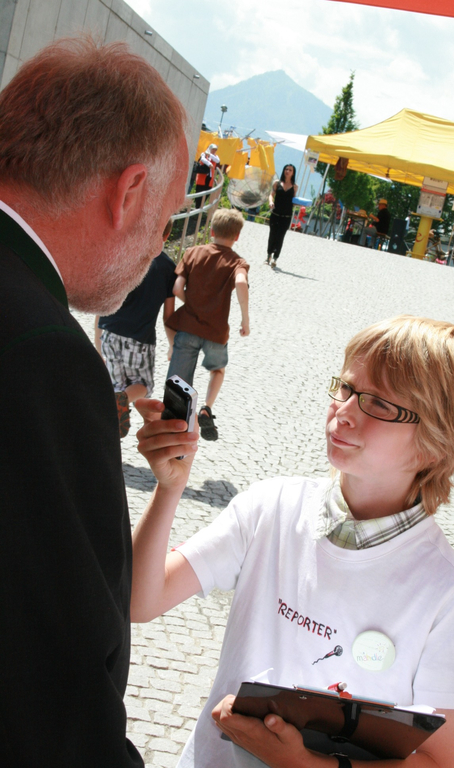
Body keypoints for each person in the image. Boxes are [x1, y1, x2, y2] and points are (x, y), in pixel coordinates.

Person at [131, 315, 454, 768]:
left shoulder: (446, 589)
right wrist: (170, 489)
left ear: (437, 443)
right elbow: (139, 601)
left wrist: (302, 763)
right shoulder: (272, 507)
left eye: (378, 404)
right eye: (346, 388)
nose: (345, 411)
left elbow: (443, 762)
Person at [0, 36, 189, 767]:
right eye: (166, 220)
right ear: (129, 190)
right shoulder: (43, 350)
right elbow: (53, 680)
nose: (157, 249)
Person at [166, 208, 249, 441]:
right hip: (216, 333)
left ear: (212, 231)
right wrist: (245, 319)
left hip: (188, 328)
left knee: (178, 383)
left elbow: (176, 288)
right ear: (237, 236)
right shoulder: (237, 262)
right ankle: (206, 408)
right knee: (217, 370)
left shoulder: (193, 253)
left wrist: (192, 303)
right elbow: (241, 283)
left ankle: (174, 430)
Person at [95, 221, 177, 437]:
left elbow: (103, 300)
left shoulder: (123, 254)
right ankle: (119, 401)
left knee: (117, 384)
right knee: (143, 385)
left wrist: (97, 341)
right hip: (140, 340)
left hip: (109, 333)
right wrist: (172, 345)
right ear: (167, 235)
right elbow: (168, 316)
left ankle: (113, 422)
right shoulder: (169, 268)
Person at [266, 164, 298, 268]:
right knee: (272, 235)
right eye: (286, 169)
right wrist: (271, 202)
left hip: (286, 216)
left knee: (280, 237)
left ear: (293, 173)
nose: (287, 171)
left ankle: (275, 258)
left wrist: (300, 204)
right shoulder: (277, 183)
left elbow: (294, 201)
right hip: (275, 214)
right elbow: (271, 194)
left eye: (290, 170)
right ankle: (268, 255)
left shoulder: (294, 187)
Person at [194, 143, 220, 208]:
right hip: (202, 177)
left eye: (215, 150)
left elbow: (217, 160)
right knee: (199, 193)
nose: (214, 151)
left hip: (209, 178)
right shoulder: (203, 154)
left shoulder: (215, 156)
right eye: (213, 149)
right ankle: (197, 208)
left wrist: (210, 154)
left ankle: (201, 207)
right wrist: (209, 164)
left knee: (206, 193)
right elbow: (203, 159)